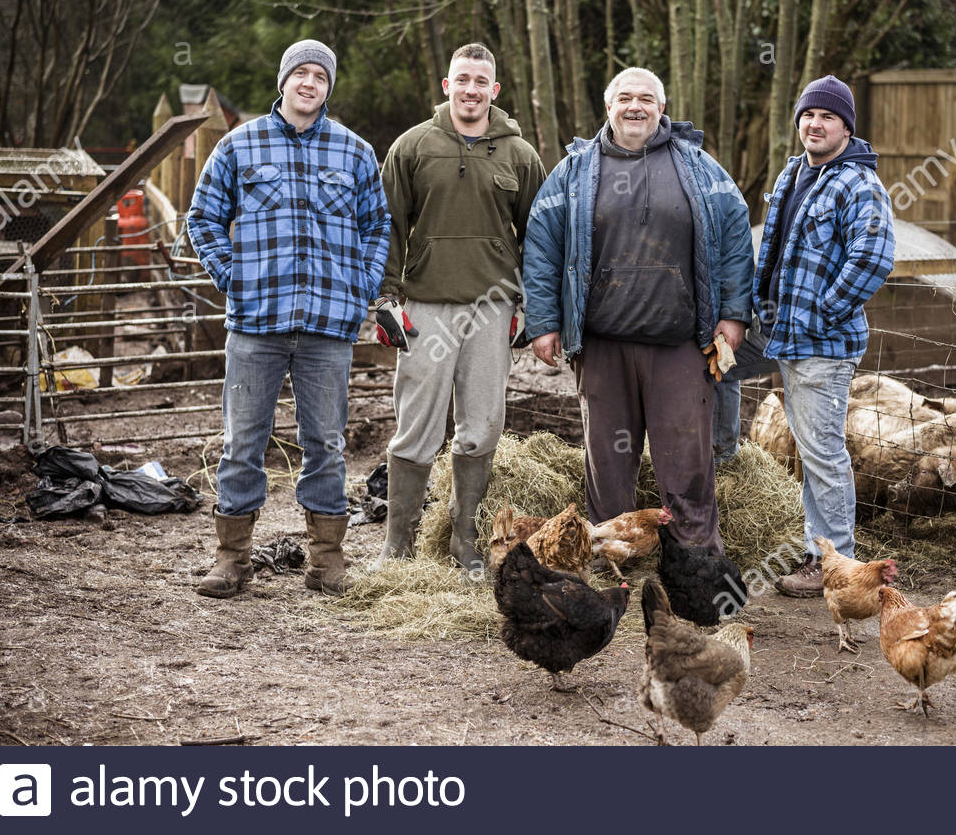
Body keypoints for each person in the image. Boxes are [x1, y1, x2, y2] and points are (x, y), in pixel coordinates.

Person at [187, 39, 391, 598]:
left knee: (325, 442)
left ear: (328, 87)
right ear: (284, 81)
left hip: (329, 324)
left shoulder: (354, 152)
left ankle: (326, 560)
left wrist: (363, 285)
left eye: (320, 77)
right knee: (242, 440)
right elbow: (202, 218)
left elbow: (378, 227)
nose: (309, 84)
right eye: (300, 73)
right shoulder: (239, 145)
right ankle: (232, 559)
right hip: (256, 322)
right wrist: (234, 276)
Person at [522, 67, 754, 553]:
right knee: (607, 462)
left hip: (681, 346)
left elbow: (736, 239)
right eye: (624, 98)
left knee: (687, 460)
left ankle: (696, 565)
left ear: (661, 109)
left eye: (646, 99)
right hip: (602, 344)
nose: (635, 106)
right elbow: (541, 245)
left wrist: (733, 314)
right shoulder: (575, 172)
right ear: (608, 108)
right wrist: (544, 322)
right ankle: (610, 561)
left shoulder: (699, 167)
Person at [373, 43, 545, 574]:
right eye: (461, 80)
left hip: (493, 308)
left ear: (495, 91)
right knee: (417, 424)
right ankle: (397, 547)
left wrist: (529, 306)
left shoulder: (520, 155)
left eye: (481, 82)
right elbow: (388, 226)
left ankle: (464, 539)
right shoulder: (413, 147)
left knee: (483, 424)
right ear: (447, 86)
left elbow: (538, 237)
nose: (470, 90)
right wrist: (386, 297)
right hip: (425, 306)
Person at [754, 75, 895, 597]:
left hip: (822, 343)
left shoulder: (857, 182)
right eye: (808, 115)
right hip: (783, 334)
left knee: (823, 455)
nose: (815, 124)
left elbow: (874, 257)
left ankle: (837, 563)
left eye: (828, 117)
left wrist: (824, 310)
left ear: (846, 127)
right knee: (811, 451)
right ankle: (819, 548)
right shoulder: (796, 173)